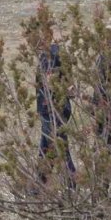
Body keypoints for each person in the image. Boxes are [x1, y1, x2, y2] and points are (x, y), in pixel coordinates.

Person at [35, 42, 76, 189]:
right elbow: (71, 88)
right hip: (59, 108)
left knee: (57, 145)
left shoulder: (49, 58)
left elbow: (49, 83)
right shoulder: (59, 54)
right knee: (47, 146)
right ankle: (39, 183)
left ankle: (71, 182)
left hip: (52, 109)